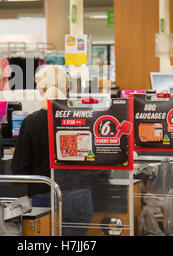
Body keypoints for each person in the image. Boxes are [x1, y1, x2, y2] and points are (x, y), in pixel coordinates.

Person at [11, 65, 107, 236]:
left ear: (40, 90)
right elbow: (99, 163)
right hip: (79, 194)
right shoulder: (85, 118)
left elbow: (19, 169)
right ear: (67, 89)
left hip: (43, 195)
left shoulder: (31, 122)